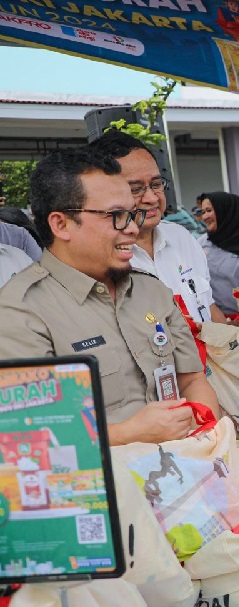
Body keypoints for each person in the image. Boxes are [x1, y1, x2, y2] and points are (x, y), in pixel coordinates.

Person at [0, 147, 219, 445]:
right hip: (105, 486)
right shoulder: (21, 311)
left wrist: (210, 440)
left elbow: (192, 380)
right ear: (60, 224)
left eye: (132, 214)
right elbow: (33, 437)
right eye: (116, 216)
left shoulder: (151, 291)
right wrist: (130, 433)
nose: (132, 228)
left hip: (186, 470)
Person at [90, 130, 226, 324]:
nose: (152, 198)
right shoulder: (98, 258)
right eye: (136, 189)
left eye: (156, 184)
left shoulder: (181, 237)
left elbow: (208, 308)